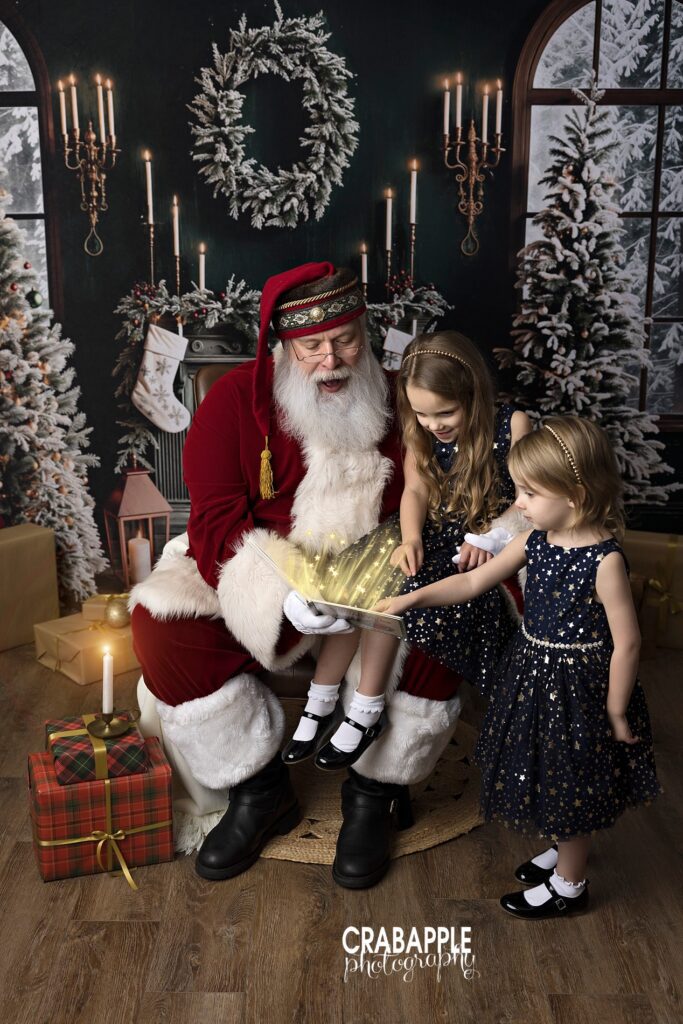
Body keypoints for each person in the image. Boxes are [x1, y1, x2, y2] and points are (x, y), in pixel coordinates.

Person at [130, 262, 469, 890]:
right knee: (160, 623)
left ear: (365, 335)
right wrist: (279, 598)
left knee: (450, 618)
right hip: (270, 565)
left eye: (345, 340)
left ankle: (373, 792)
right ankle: (260, 791)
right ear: (285, 348)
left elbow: (451, 496)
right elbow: (214, 524)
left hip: (381, 569)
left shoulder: (405, 397)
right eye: (311, 346)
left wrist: (388, 575)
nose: (331, 360)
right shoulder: (235, 401)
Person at [379, 415, 660, 918]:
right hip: (534, 676)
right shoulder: (534, 541)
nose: (519, 504)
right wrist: (414, 598)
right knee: (549, 770)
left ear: (574, 494)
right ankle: (563, 850)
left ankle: (570, 885)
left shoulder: (605, 561)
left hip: (582, 691)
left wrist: (616, 711)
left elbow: (628, 644)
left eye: (529, 493)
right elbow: (470, 584)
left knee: (572, 782)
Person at [283, 330, 532, 770]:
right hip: (426, 531)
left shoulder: (511, 424)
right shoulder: (420, 429)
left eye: (445, 413)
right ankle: (318, 701)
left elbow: (528, 501)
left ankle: (365, 711)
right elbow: (415, 490)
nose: (433, 425)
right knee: (353, 581)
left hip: (476, 538)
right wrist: (410, 537)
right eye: (421, 414)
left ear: (472, 393)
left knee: (391, 594)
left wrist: (490, 537)